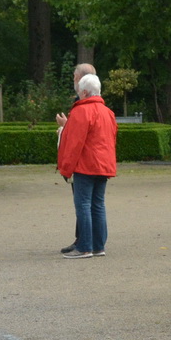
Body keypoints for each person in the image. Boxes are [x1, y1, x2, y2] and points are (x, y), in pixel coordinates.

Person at [56, 72, 117, 258]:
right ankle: (99, 246)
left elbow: (73, 143)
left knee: (83, 204)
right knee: (98, 205)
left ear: (83, 92)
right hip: (103, 165)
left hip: (85, 165)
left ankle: (84, 247)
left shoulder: (80, 111)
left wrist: (65, 167)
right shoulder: (108, 113)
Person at [56, 61, 96, 253]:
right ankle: (88, 241)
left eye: (74, 76)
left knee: (84, 203)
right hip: (97, 162)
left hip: (83, 162)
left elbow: (79, 134)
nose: (73, 79)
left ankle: (84, 242)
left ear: (81, 78)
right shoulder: (97, 103)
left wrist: (65, 126)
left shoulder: (84, 103)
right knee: (92, 204)